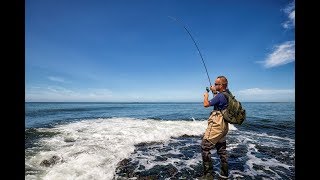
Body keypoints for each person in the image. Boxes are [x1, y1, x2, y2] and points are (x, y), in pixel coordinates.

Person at [200, 75, 230, 179]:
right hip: (224, 125)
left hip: (217, 123)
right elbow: (220, 102)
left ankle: (208, 175)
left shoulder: (219, 96)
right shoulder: (227, 94)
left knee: (205, 146)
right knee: (221, 148)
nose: (214, 85)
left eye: (217, 84)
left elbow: (206, 104)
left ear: (222, 85)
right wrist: (214, 91)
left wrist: (206, 95)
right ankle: (224, 173)